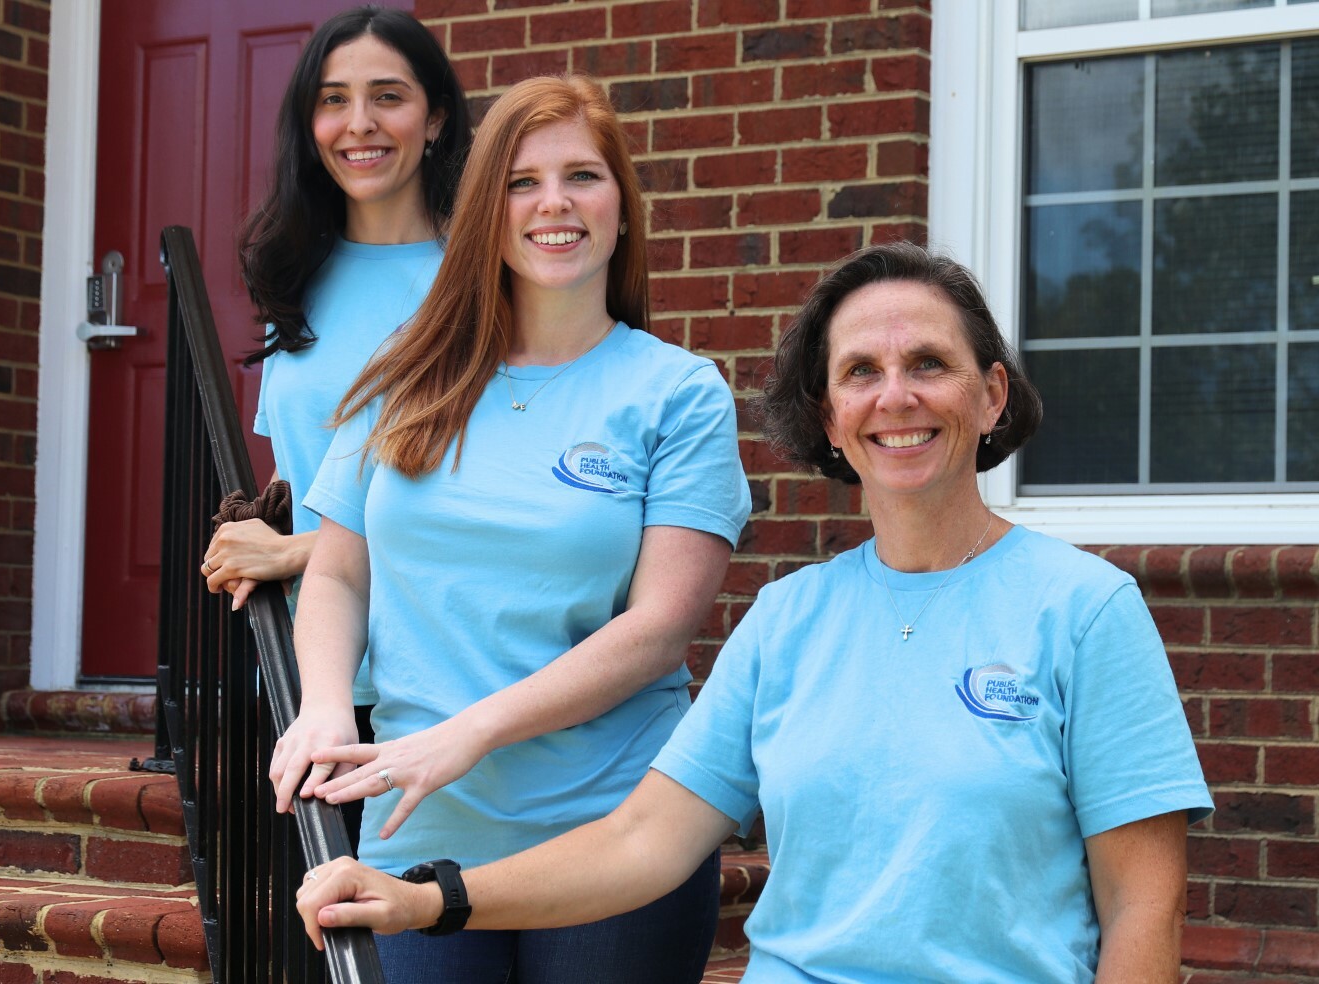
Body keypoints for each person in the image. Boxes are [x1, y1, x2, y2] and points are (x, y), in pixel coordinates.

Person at [293, 242, 1214, 984]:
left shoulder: (1086, 610)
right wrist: (425, 901)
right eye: (861, 371)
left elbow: (1144, 908)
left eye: (928, 363)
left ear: (991, 394)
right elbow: (642, 840)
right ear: (829, 415)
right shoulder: (786, 621)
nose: (896, 396)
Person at [271, 74, 752, 983]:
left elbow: (656, 632)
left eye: (582, 176)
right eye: (522, 182)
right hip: (418, 832)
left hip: (615, 837)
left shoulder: (677, 392)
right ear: (487, 209)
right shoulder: (410, 374)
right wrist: (327, 702)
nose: (554, 204)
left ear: (621, 207)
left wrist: (471, 732)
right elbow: (337, 572)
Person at [198, 6, 470, 843]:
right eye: (333, 100)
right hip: (306, 675)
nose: (358, 125)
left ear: (436, 120)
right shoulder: (296, 274)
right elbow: (303, 473)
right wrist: (257, 544)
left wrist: (288, 553)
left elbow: (473, 496)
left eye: (388, 96)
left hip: (431, 674)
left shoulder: (476, 279)